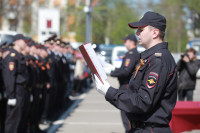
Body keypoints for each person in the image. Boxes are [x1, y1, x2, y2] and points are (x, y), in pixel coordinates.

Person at [93, 11, 177, 133]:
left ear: (155, 33)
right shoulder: (150, 58)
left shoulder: (158, 60)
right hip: (142, 127)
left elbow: (142, 102)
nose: (137, 33)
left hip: (150, 129)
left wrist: (109, 91)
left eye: (141, 30)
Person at [108, 34, 140, 133]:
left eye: (126, 41)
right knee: (126, 114)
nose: (124, 43)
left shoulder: (132, 54)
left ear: (131, 42)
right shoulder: (130, 54)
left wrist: (111, 72)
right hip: (126, 86)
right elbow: (123, 69)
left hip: (127, 87)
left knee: (126, 115)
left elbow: (126, 71)